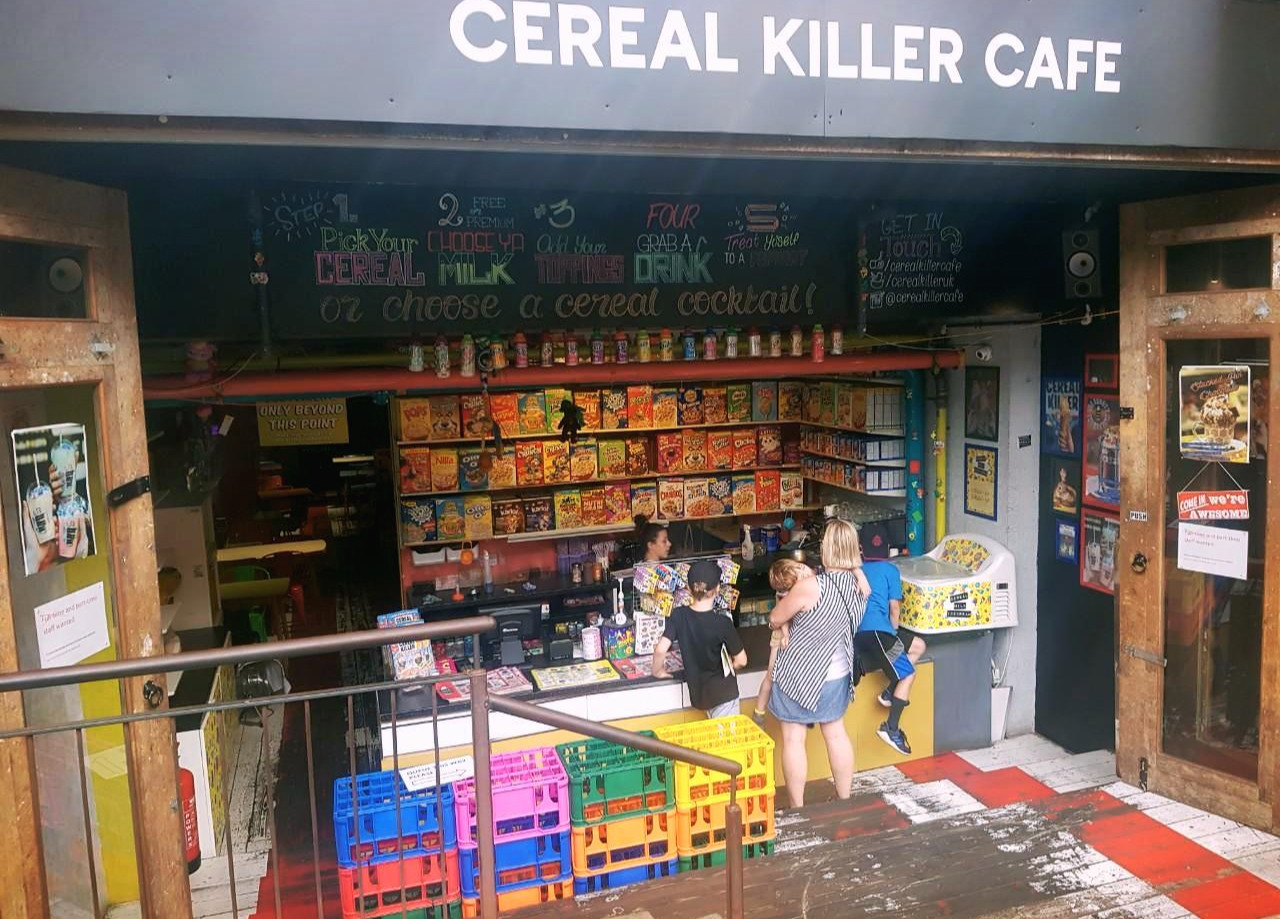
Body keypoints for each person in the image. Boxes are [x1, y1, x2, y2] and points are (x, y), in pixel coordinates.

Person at [768, 519, 870, 808]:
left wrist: (784, 621)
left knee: (793, 739)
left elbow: (775, 618)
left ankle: (798, 808)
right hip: (837, 674)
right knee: (836, 734)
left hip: (799, 675)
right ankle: (844, 799)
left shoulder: (811, 587)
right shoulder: (860, 586)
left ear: (826, 548)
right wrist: (856, 568)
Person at [654, 559, 746, 719]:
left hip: (699, 696)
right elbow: (742, 660)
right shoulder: (723, 623)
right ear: (717, 589)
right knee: (726, 736)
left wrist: (658, 671)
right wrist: (730, 666)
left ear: (688, 588)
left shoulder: (678, 615)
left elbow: (661, 649)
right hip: (724, 694)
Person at [854, 559, 926, 756]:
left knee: (918, 646)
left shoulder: (856, 569)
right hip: (879, 633)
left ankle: (890, 691)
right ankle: (891, 728)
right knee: (908, 674)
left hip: (862, 634)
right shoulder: (890, 569)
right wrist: (894, 633)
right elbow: (894, 608)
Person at [751, 558, 808, 726]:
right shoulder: (782, 592)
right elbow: (780, 617)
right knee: (771, 674)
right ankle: (759, 713)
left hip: (798, 632)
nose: (782, 593)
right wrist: (785, 634)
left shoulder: (804, 577)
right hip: (781, 633)